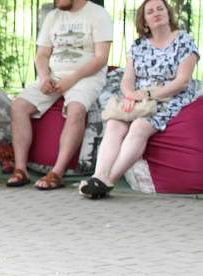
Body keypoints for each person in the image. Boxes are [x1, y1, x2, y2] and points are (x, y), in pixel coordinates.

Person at [80, 0, 199, 199]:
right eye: (150, 12)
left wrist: (147, 95)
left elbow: (182, 81)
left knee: (139, 127)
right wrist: (130, 96)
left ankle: (107, 181)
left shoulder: (184, 40)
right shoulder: (138, 46)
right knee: (115, 124)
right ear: (144, 21)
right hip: (139, 97)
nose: (156, 13)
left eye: (160, 9)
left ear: (168, 14)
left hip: (169, 95)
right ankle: (97, 176)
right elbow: (127, 80)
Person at [6, 0, 113, 190]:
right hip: (53, 76)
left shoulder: (98, 14)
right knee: (18, 106)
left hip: (85, 76)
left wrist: (72, 80)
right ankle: (21, 170)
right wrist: (45, 77)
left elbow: (101, 58)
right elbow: (41, 55)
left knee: (76, 109)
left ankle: (57, 172)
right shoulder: (53, 16)